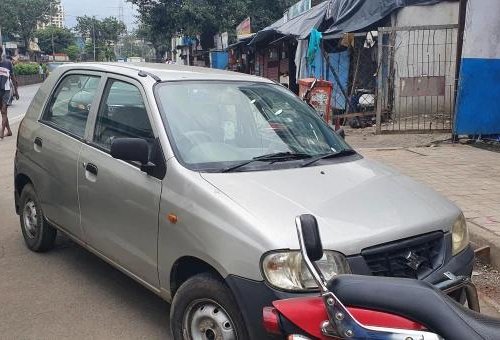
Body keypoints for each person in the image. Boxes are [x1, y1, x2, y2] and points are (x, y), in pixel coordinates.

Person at [0, 47, 19, 140]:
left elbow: (13, 77)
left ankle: (2, 131)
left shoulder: (8, 63)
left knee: (3, 110)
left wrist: (16, 91)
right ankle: (9, 131)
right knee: (3, 112)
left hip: (6, 90)